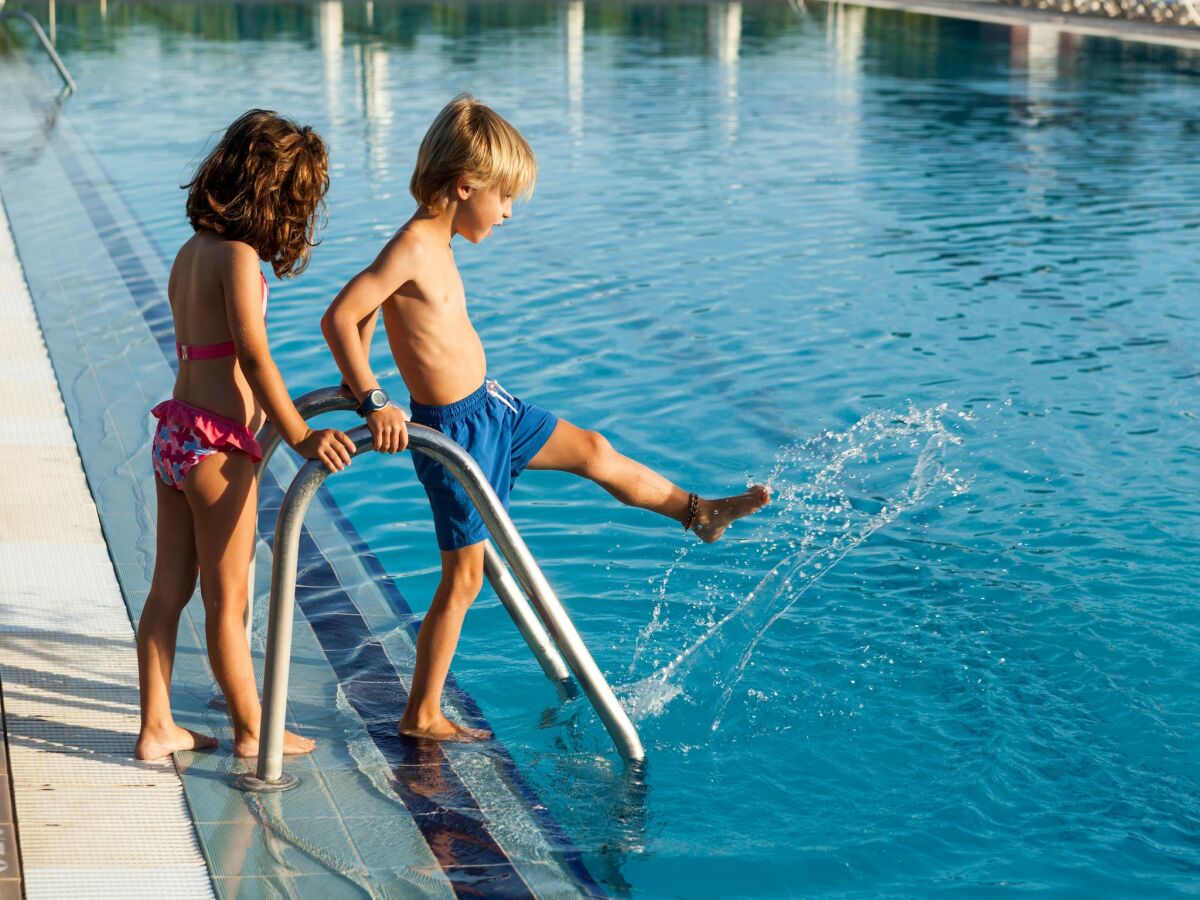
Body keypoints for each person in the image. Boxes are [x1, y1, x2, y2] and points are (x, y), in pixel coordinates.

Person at [321, 94, 770, 742]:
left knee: (593, 449)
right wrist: (371, 399)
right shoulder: (415, 245)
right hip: (455, 434)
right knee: (464, 576)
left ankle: (697, 512)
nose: (507, 214)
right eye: (503, 198)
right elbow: (340, 314)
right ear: (464, 184)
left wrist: (361, 368)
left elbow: (366, 319)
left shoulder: (436, 241)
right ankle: (421, 712)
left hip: (492, 410)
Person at [135, 110, 357, 761]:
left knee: (167, 592)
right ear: (272, 198)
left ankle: (156, 726)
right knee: (228, 604)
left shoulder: (190, 252)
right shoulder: (238, 256)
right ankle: (252, 731)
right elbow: (255, 356)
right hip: (217, 451)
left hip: (174, 438)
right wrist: (302, 433)